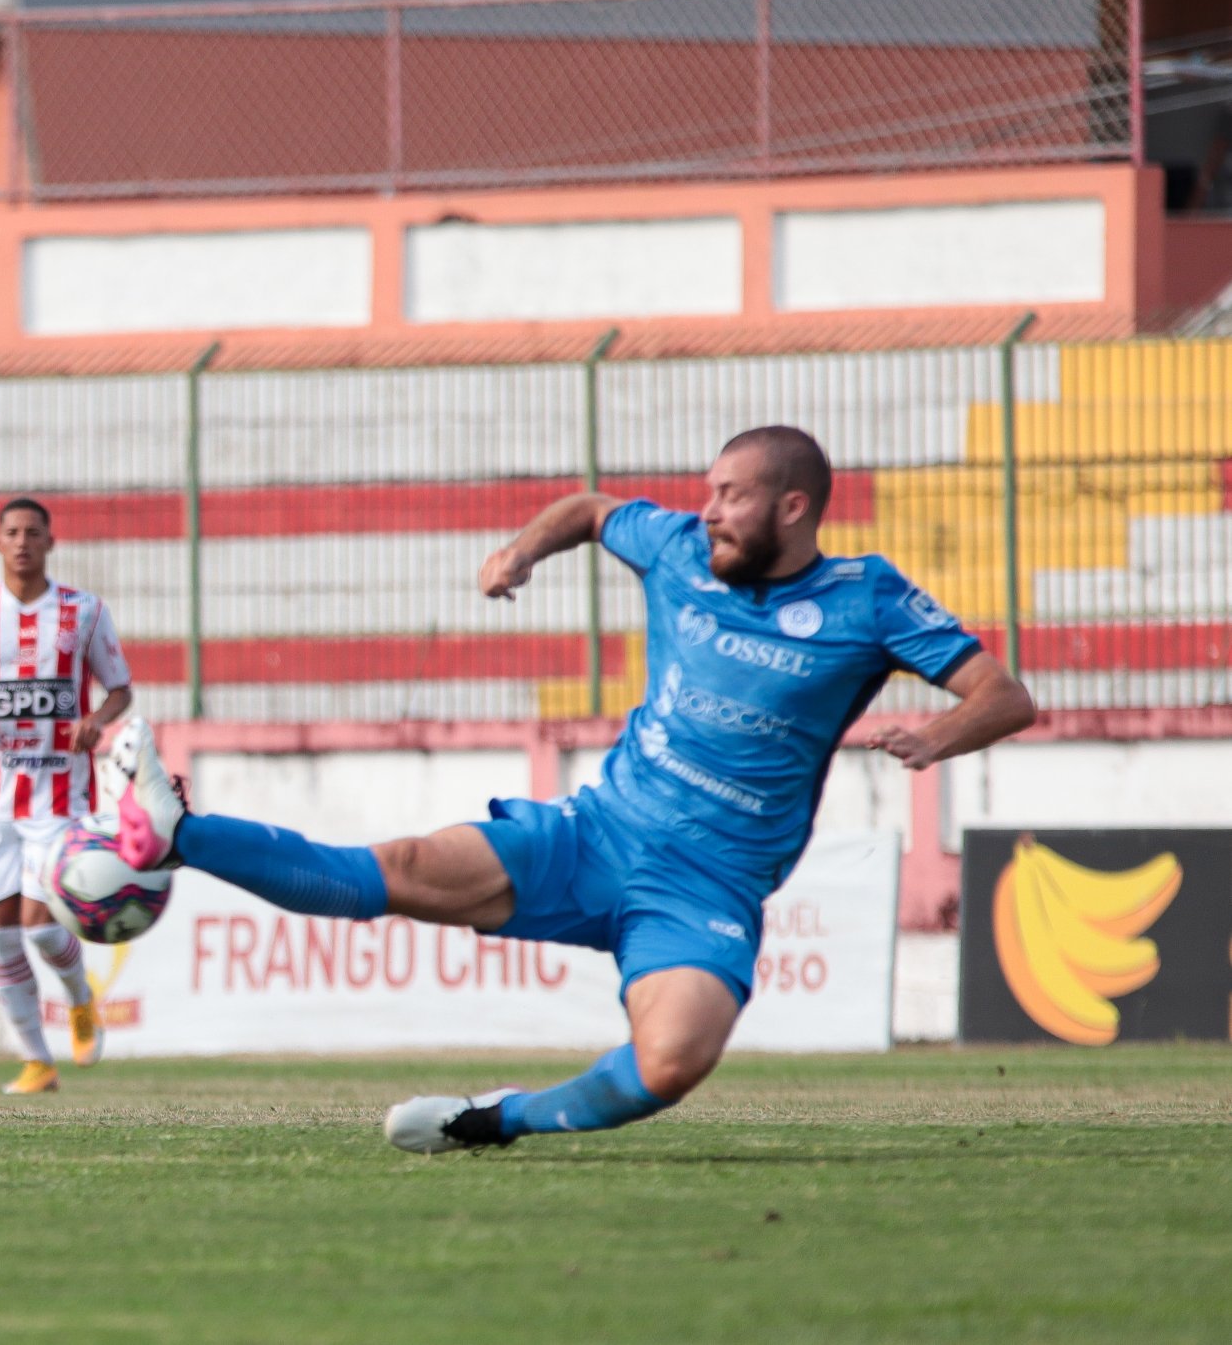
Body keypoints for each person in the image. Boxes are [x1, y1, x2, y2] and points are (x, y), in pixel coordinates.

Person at [108, 426, 1036, 1152]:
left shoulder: (865, 598)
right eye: (706, 492)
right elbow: (593, 509)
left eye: (730, 495)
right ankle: (177, 831)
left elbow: (1004, 695)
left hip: (707, 884)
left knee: (669, 1063)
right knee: (395, 865)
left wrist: (937, 734)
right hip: (595, 833)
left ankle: (490, 1121)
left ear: (793, 507)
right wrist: (519, 552)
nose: (706, 510)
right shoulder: (673, 545)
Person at [0, 498, 134, 1094]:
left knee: (41, 927)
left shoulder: (84, 613)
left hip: (60, 800)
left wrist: (96, 717)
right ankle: (37, 1061)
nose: (22, 542)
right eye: (12, 532)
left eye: (32, 533)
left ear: (49, 543)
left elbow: (120, 689)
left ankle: (79, 998)